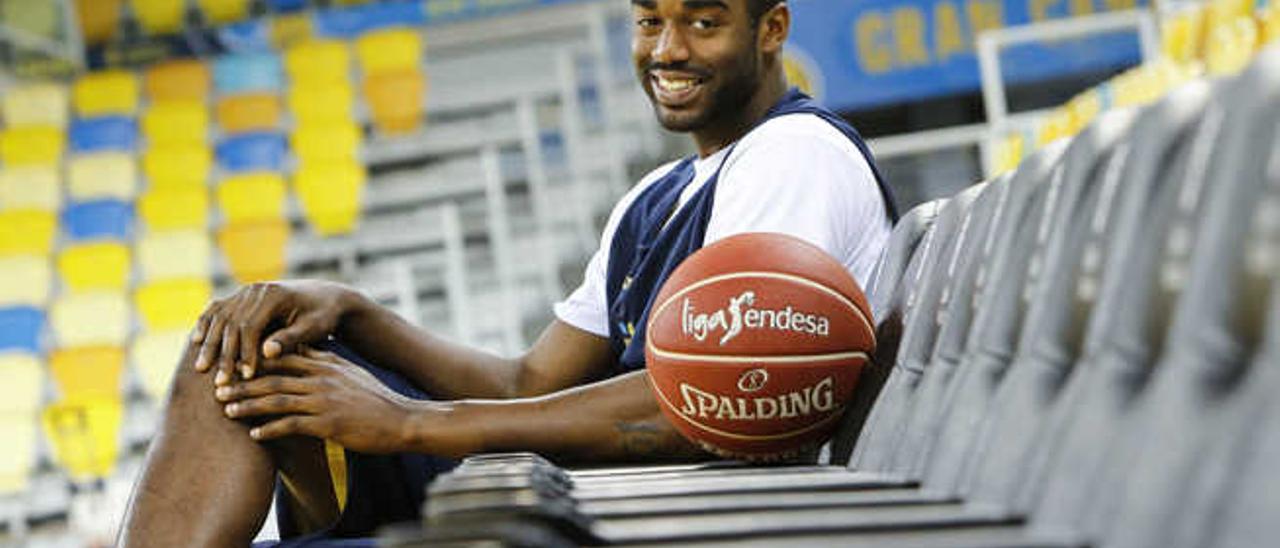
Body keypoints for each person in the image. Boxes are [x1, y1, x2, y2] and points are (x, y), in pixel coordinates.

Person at [118, 0, 896, 545]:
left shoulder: (795, 156)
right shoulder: (654, 198)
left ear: (773, 29)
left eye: (703, 20)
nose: (667, 50)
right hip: (573, 488)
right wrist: (354, 310)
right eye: (649, 20)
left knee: (241, 360)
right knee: (246, 346)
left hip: (647, 508)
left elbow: (716, 400)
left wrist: (414, 423)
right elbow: (530, 382)